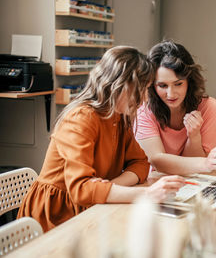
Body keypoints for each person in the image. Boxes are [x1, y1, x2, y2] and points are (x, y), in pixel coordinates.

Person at [18, 46, 185, 232]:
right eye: (140, 89)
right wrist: (146, 193)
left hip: (90, 205)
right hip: (56, 215)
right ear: (117, 84)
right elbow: (81, 190)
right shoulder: (81, 118)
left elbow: (140, 163)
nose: (145, 98)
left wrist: (109, 188)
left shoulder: (119, 115)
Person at [135, 40, 216, 175]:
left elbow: (196, 165)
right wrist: (205, 163)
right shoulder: (144, 109)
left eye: (178, 84)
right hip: (155, 182)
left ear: (189, 80)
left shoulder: (209, 107)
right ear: (152, 85)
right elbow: (157, 161)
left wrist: (194, 137)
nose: (171, 94)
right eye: (162, 86)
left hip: (192, 180)